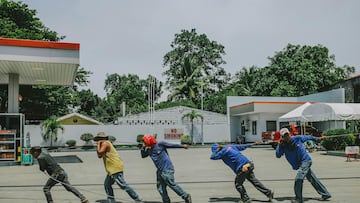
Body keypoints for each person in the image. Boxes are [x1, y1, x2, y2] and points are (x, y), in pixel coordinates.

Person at [276, 128, 331, 203]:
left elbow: (309, 137)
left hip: (306, 161)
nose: (287, 137)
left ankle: (298, 199)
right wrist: (279, 145)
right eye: (284, 136)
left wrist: (318, 138)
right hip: (300, 164)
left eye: (287, 135)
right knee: (312, 179)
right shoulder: (283, 145)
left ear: (290, 134)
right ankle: (325, 194)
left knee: (299, 178)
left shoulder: (297, 138)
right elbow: (278, 155)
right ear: (282, 137)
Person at [140, 134, 192, 203]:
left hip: (167, 169)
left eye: (145, 142)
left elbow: (171, 145)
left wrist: (183, 146)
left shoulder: (160, 144)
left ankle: (185, 196)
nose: (144, 143)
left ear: (149, 141)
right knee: (160, 188)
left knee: (171, 184)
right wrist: (142, 148)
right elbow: (143, 156)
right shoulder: (149, 150)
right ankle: (166, 201)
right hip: (160, 171)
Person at [95, 132, 144, 203]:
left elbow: (100, 152)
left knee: (122, 185)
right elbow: (99, 156)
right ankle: (111, 200)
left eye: (99, 139)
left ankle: (137, 198)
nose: (98, 141)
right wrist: (99, 145)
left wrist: (98, 144)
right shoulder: (104, 144)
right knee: (107, 184)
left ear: (102, 139)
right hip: (111, 169)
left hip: (115, 167)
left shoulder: (106, 143)